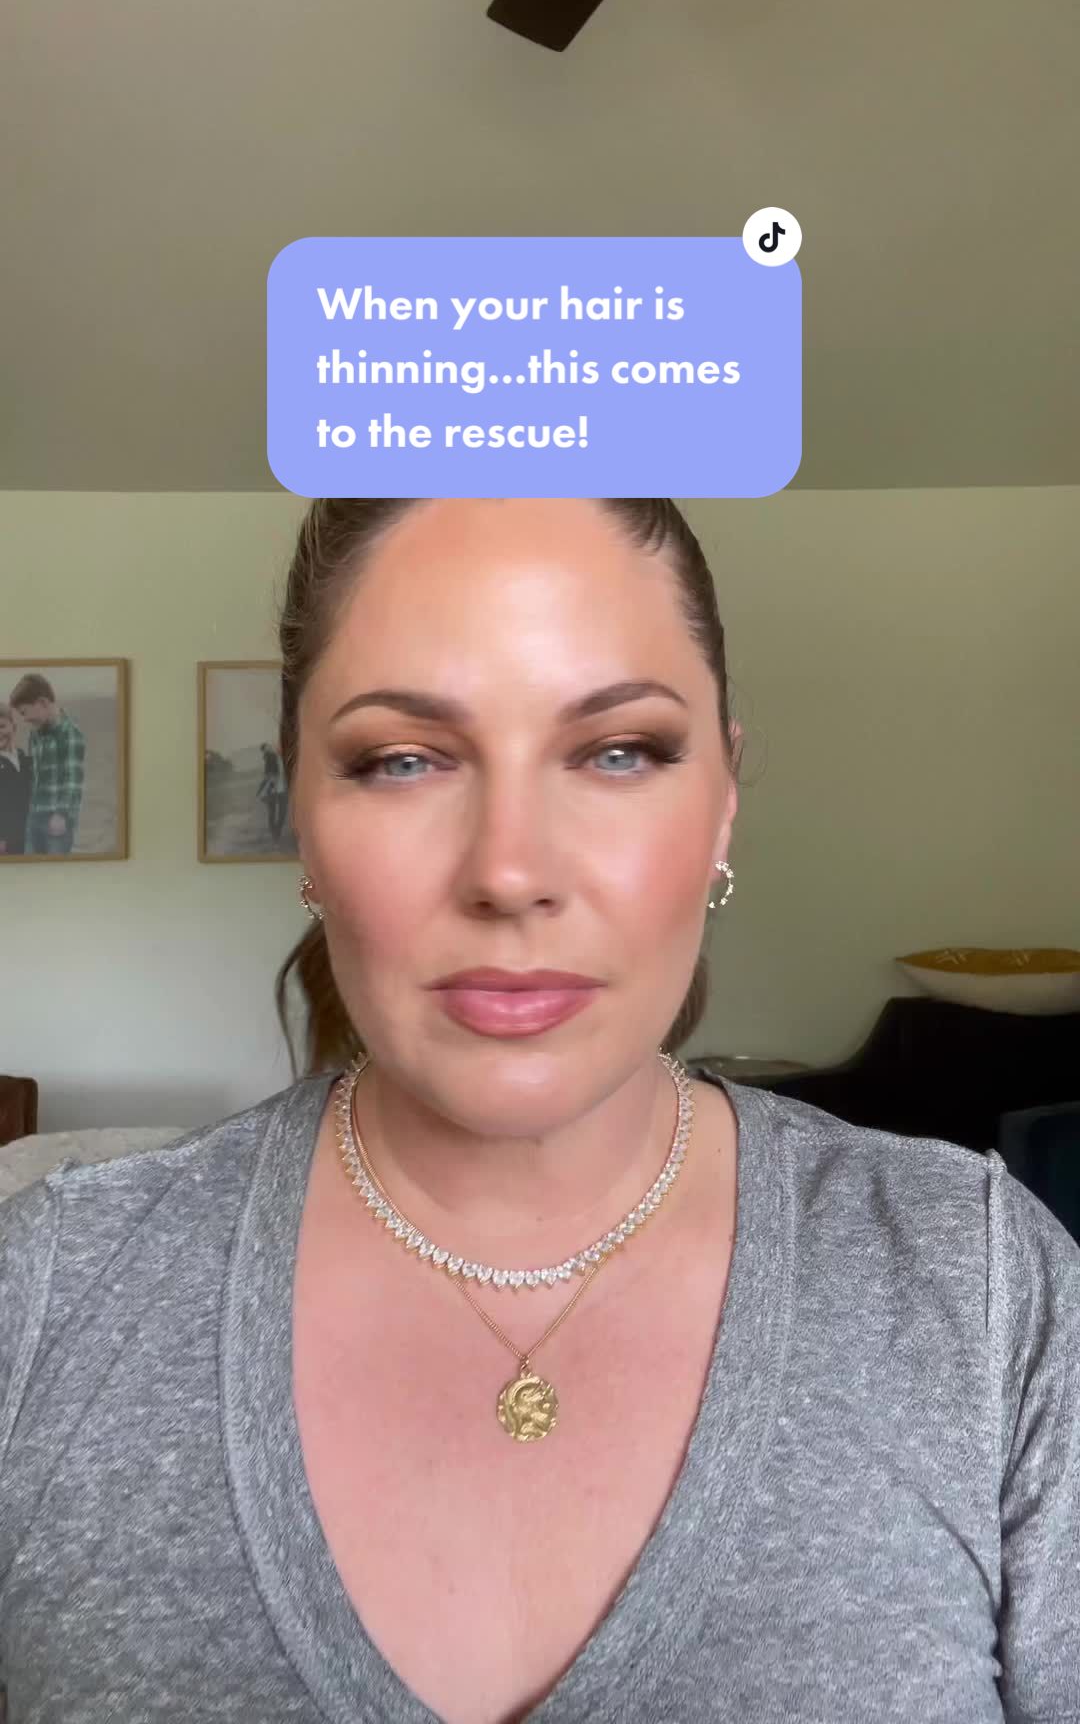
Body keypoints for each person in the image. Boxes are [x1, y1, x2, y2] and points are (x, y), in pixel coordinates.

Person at [1, 498, 1077, 1724]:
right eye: (403, 759)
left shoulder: (980, 1286)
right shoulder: (46, 1296)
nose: (510, 871)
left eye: (618, 751)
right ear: (301, 808)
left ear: (723, 802)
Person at [7, 672, 86, 856]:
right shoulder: (35, 734)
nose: (24, 719)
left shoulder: (70, 734)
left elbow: (73, 780)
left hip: (56, 821)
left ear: (42, 703)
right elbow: (34, 775)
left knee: (54, 868)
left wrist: (61, 814)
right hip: (34, 818)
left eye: (24, 712)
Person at [0, 704, 33, 856]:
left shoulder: (25, 759)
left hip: (28, 836)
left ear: (14, 727)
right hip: (5, 841)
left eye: (2, 726)